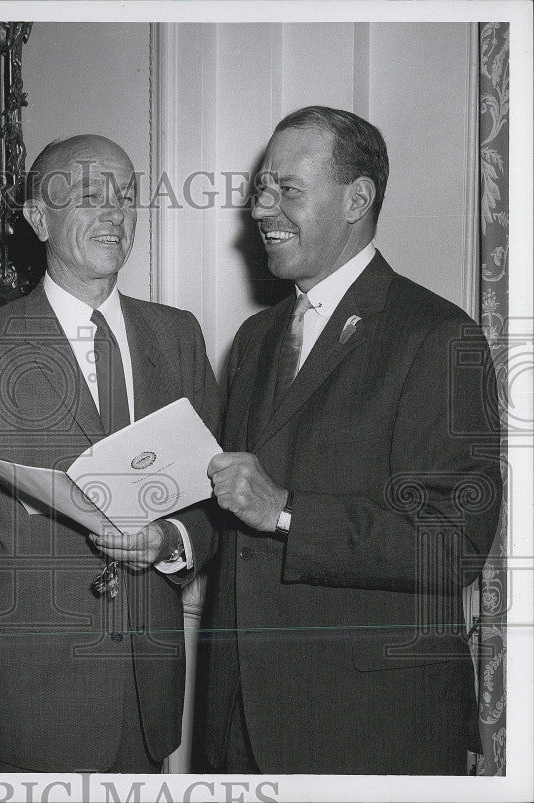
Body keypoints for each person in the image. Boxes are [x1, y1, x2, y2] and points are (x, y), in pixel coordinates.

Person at [203, 106, 502, 774]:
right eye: (261, 188)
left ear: (357, 199)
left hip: (370, 727)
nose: (261, 208)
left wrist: (287, 510)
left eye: (287, 189)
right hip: (243, 724)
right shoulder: (255, 340)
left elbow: (454, 540)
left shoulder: (437, 335)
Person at [0, 134, 222, 773]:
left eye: (127, 197)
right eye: (91, 197)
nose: (115, 215)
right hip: (34, 694)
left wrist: (171, 539)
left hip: (150, 692)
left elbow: (214, 499)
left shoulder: (178, 336)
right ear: (38, 218)